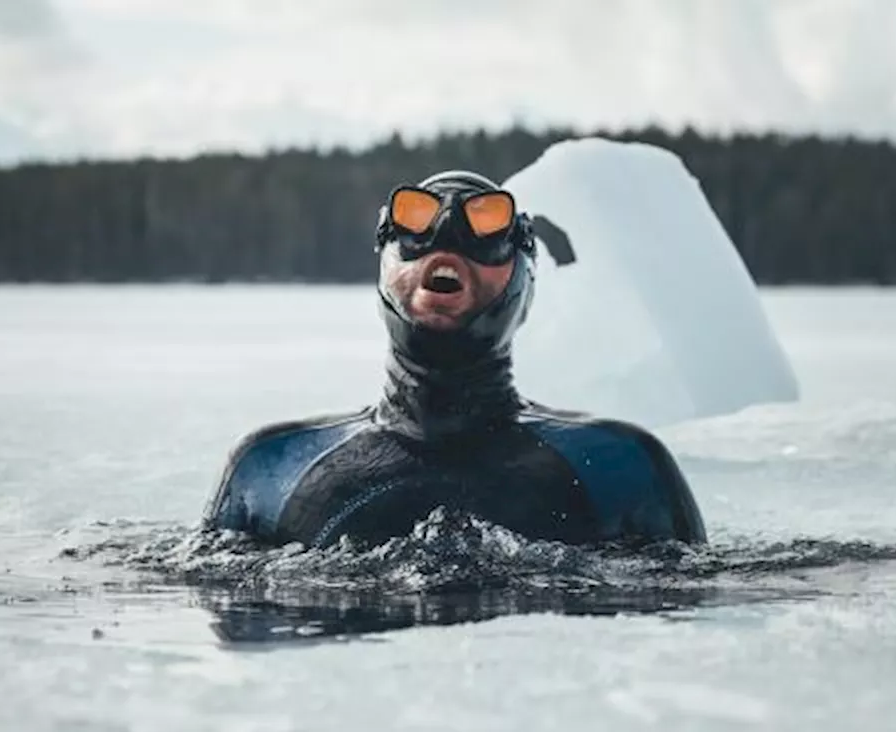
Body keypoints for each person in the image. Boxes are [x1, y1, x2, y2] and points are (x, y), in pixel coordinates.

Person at [203, 170, 706, 548]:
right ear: (383, 268)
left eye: (485, 229)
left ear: (523, 286)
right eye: (418, 222)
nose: (446, 238)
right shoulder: (270, 472)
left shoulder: (620, 469)